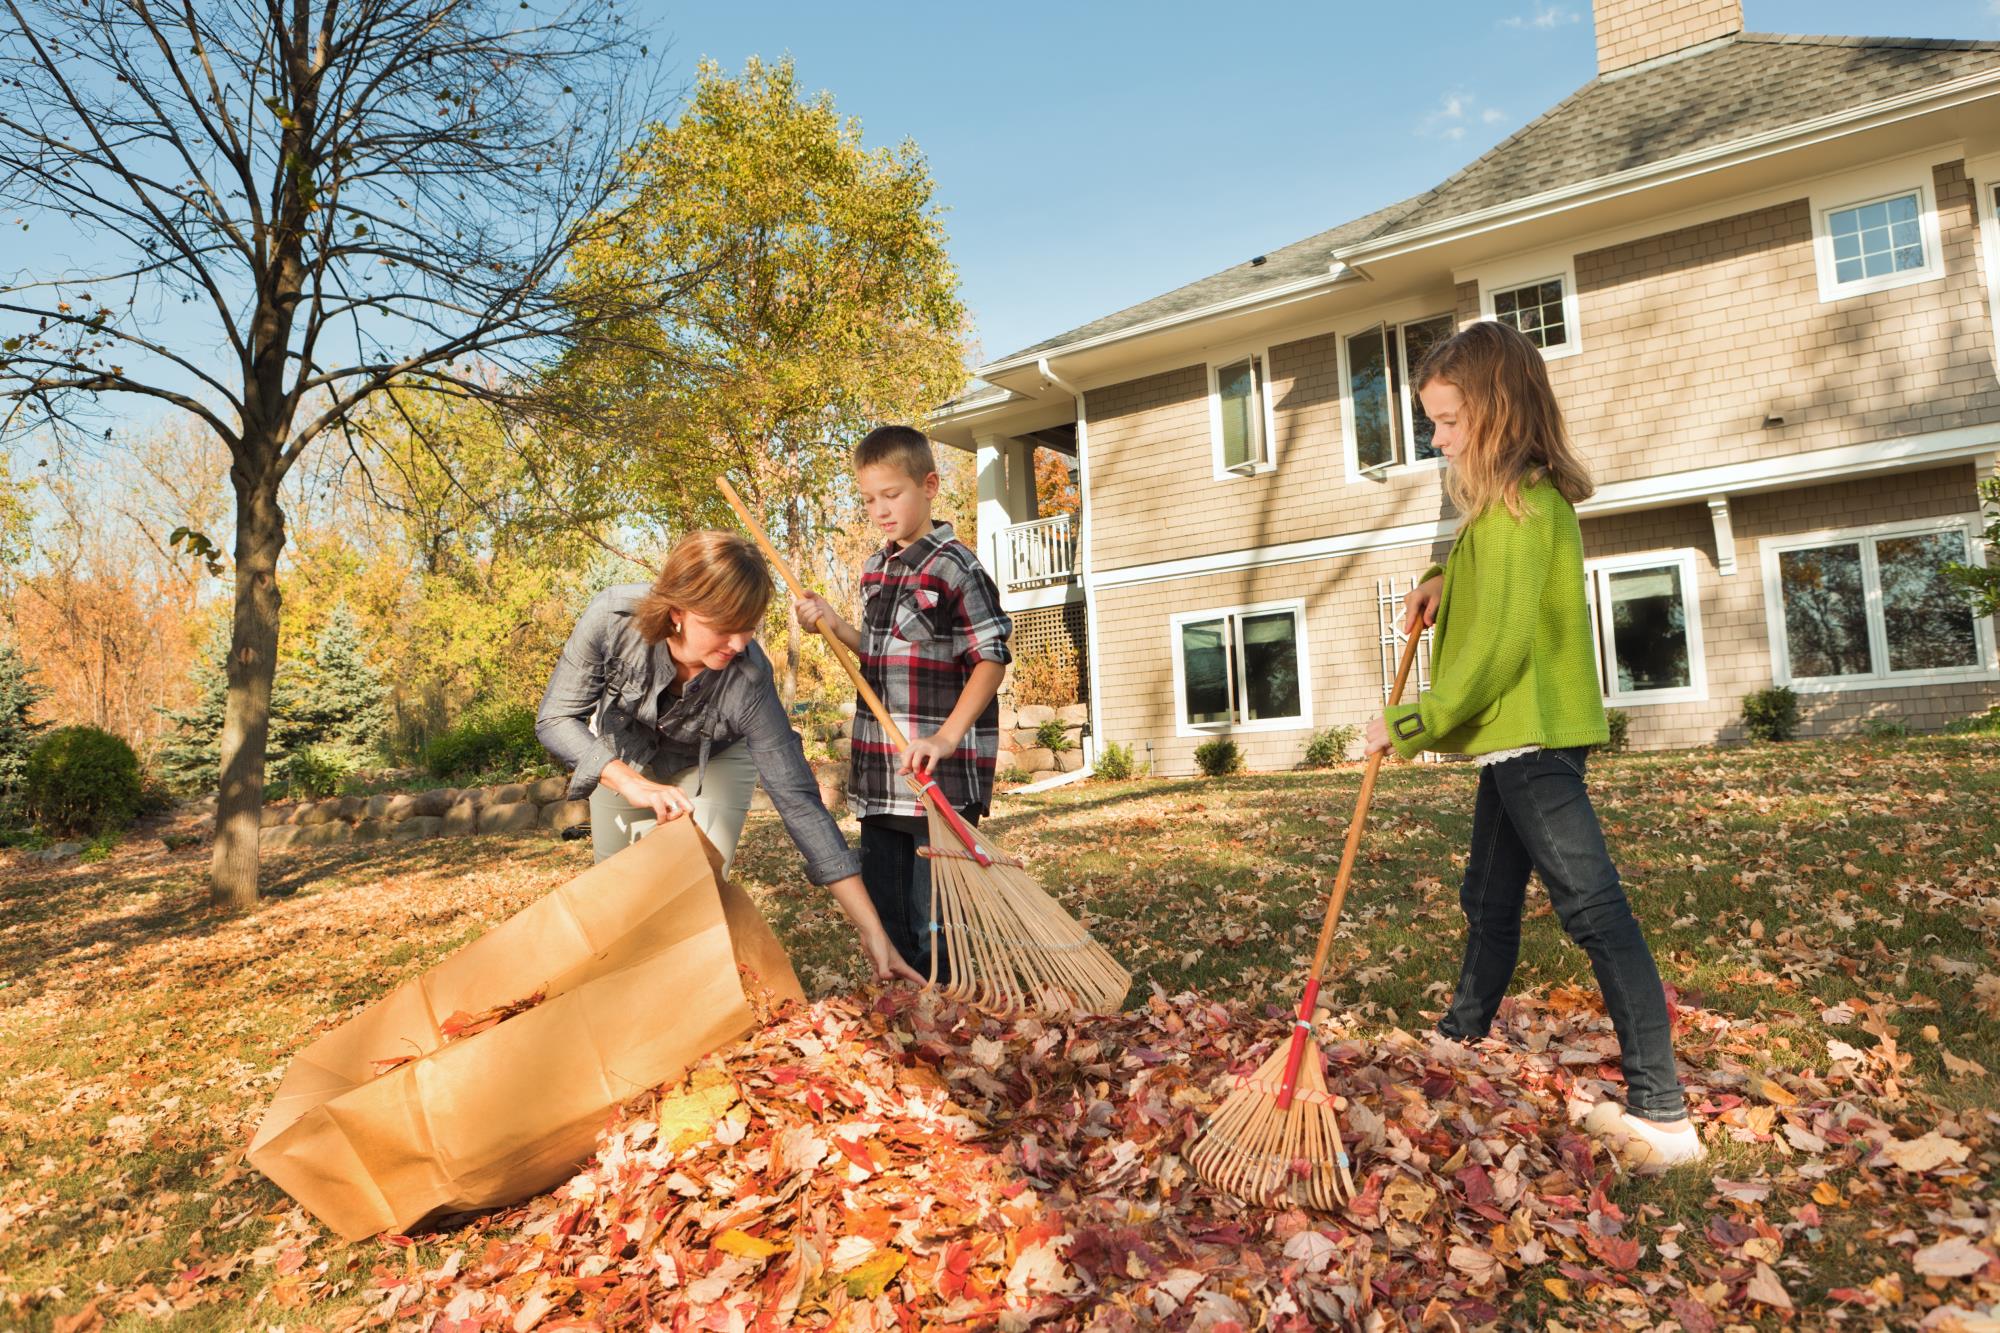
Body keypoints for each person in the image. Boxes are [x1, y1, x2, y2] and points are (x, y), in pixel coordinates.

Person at [1362, 320, 1703, 1172]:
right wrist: (1443, 576)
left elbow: (1496, 651)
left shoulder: (1519, 510)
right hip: (1514, 739)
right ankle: (1463, 1028)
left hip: (1533, 737)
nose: (1436, 440)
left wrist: (1412, 721)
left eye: (1446, 422)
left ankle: (1662, 1112)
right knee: (1489, 892)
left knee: (1594, 910)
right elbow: (1482, 593)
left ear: (1498, 412)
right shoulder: (1500, 505)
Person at [536, 529, 923, 985]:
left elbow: (798, 800)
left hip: (715, 761)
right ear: (677, 611)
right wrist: (629, 781)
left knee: (690, 890)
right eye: (725, 627)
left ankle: (689, 1002)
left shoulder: (749, 678)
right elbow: (555, 719)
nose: (739, 644)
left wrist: (872, 929)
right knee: (618, 901)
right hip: (624, 754)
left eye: (749, 627)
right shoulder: (611, 619)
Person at [794, 426, 1012, 982]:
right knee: (888, 914)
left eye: (892, 495)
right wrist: (831, 623)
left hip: (936, 776)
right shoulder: (874, 568)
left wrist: (944, 738)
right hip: (881, 774)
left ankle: (950, 1009)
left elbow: (990, 657)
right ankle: (905, 1013)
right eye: (869, 499)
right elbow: (876, 651)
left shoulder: (956, 567)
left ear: (930, 485)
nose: (880, 510)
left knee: (932, 919)